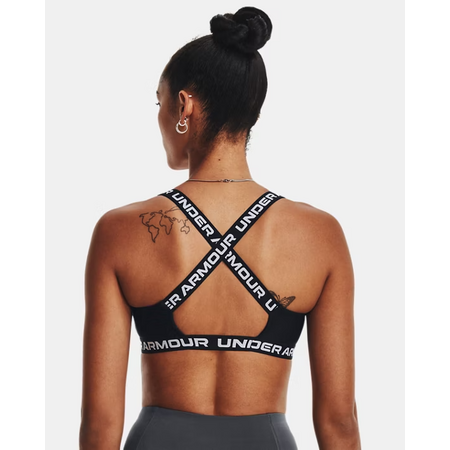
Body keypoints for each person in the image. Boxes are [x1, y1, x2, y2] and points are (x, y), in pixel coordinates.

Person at [79, 6, 361, 450]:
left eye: (159, 101)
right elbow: (339, 422)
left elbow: (100, 424)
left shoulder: (119, 231)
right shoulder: (319, 234)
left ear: (184, 105)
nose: (159, 116)